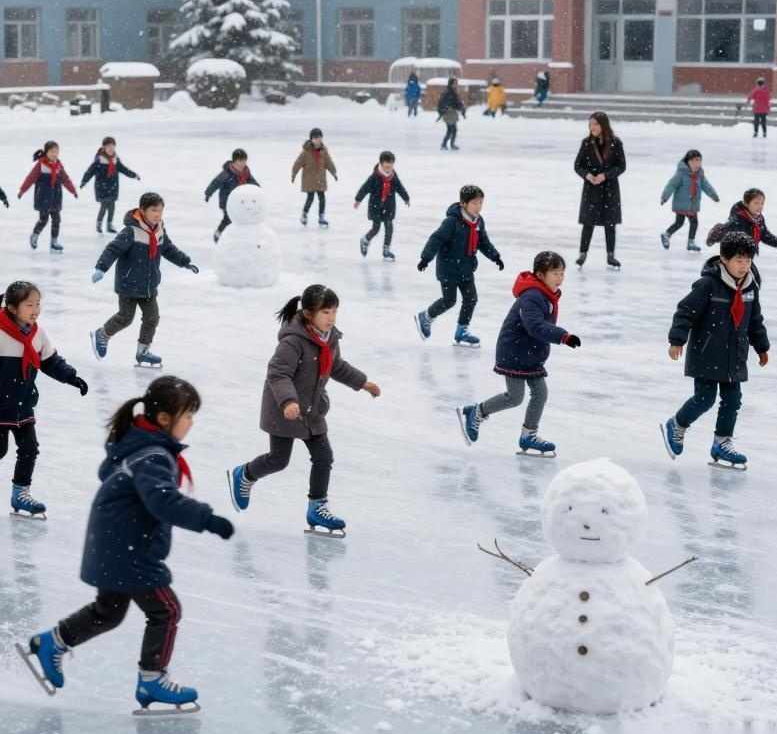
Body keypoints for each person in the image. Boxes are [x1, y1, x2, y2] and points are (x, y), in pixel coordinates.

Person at [18, 376, 233, 713]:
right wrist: (207, 519)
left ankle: (51, 642)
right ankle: (151, 680)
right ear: (165, 419)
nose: (192, 423)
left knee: (110, 611)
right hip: (129, 549)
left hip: (114, 544)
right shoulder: (154, 456)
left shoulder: (139, 445)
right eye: (188, 415)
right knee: (166, 610)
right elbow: (162, 501)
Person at [227, 285, 381, 536]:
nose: (331, 318)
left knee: (324, 457)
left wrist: (362, 383)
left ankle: (316, 507)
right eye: (326, 312)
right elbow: (278, 374)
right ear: (309, 314)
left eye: (334, 312)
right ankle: (244, 474)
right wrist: (288, 402)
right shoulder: (292, 342)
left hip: (312, 408)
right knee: (279, 460)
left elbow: (336, 366)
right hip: (284, 409)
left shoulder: (330, 338)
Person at [0, 281, 89, 518]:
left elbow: (51, 362)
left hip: (23, 402)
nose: (35, 310)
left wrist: (73, 378)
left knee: (30, 448)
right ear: (12, 307)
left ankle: (20, 494)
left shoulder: (37, 334)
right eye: (29, 305)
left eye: (38, 304)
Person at [660, 232, 769, 469]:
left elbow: (755, 320)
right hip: (707, 352)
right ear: (724, 259)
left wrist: (761, 346)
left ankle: (722, 442)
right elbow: (685, 311)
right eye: (739, 260)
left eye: (748, 260)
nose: (744, 265)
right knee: (705, 399)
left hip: (735, 355)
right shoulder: (709, 284)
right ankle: (677, 424)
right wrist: (677, 340)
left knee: (732, 400)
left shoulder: (751, 286)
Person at [457, 251, 580, 456]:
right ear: (541, 275)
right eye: (556, 273)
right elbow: (535, 326)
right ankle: (476, 412)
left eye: (562, 273)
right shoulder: (532, 296)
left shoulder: (546, 294)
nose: (560, 278)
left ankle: (528, 435)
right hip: (514, 351)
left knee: (540, 393)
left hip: (530, 353)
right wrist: (563, 337)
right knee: (515, 397)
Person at [91, 192, 199, 368]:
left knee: (152, 318)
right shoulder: (131, 231)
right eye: (154, 210)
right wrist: (101, 268)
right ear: (142, 210)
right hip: (128, 283)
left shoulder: (159, 229)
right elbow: (113, 249)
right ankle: (102, 334)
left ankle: (143, 351)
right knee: (126, 317)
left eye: (160, 211)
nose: (158, 214)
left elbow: (168, 249)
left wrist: (185, 262)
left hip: (149, 285)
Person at [414, 184, 504, 347]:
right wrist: (425, 258)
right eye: (475, 203)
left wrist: (495, 256)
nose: (478, 207)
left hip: (466, 268)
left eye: (480, 203)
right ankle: (426, 317)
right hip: (448, 268)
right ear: (463, 203)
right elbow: (436, 239)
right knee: (449, 301)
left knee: (471, 299)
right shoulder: (452, 222)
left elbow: (483, 242)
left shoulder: (478, 222)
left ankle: (461, 330)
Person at [574, 111, 626, 270]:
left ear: (603, 125)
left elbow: (621, 166)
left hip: (609, 188)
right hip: (592, 188)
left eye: (595, 124)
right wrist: (588, 175)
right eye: (590, 124)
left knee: (610, 223)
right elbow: (578, 165)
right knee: (588, 222)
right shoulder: (586, 143)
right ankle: (583, 253)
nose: (592, 127)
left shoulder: (616, 143)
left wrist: (606, 175)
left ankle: (610, 255)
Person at [17, 141, 77, 253]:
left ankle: (54, 242)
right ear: (46, 152)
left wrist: (73, 190)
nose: (55, 154)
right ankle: (35, 235)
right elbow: (30, 178)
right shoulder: (41, 165)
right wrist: (22, 190)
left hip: (55, 197)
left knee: (56, 219)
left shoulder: (58, 166)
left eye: (57, 152)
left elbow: (65, 179)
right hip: (43, 197)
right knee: (43, 219)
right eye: (52, 151)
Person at [354, 150, 410, 262]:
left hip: (389, 206)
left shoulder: (393, 176)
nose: (389, 166)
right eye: (386, 164)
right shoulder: (375, 176)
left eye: (391, 164)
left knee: (389, 227)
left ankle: (386, 249)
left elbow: (400, 187)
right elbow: (364, 188)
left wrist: (406, 198)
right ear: (381, 163)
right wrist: (358, 199)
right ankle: (365, 240)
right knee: (376, 228)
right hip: (376, 206)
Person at [660, 149, 719, 253]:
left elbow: (706, 186)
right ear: (688, 161)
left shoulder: (699, 174)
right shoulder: (681, 173)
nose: (697, 164)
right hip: (682, 203)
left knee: (694, 222)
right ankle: (666, 235)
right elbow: (671, 185)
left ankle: (690, 242)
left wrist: (713, 195)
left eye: (699, 161)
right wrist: (665, 197)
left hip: (693, 204)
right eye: (694, 161)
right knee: (679, 222)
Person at [81, 137, 140, 235]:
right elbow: (90, 171)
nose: (111, 148)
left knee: (112, 206)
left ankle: (109, 225)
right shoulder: (99, 160)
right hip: (102, 187)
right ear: (104, 147)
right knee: (104, 206)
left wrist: (133, 175)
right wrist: (84, 181)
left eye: (112, 146)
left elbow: (123, 169)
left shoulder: (115, 159)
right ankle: (99, 224)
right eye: (108, 146)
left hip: (113, 186)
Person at [706, 188, 777, 259]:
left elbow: (764, 235)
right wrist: (718, 233)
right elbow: (732, 239)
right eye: (756, 203)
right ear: (746, 204)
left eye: (762, 203)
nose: (760, 206)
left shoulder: (758, 219)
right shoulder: (738, 220)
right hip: (736, 258)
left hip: (748, 256)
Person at [204, 148, 259, 244]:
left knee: (241, 218)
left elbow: (253, 182)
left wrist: (259, 190)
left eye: (244, 161)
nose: (243, 164)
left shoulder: (246, 172)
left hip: (240, 201)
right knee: (228, 219)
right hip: (227, 202)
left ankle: (239, 238)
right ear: (234, 162)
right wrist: (208, 193)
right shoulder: (226, 174)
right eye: (240, 162)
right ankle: (218, 234)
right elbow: (215, 183)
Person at [291, 128, 338, 228]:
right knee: (310, 198)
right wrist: (294, 174)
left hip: (320, 179)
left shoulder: (324, 151)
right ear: (311, 139)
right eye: (315, 138)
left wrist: (334, 172)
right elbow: (297, 163)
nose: (318, 140)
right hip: (309, 180)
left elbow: (328, 162)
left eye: (319, 137)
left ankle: (321, 217)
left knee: (322, 198)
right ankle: (304, 214)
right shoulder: (306, 152)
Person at [437, 77, 465, 150]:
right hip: (448, 113)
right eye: (455, 83)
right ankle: (444, 144)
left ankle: (451, 144)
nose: (456, 85)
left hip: (452, 113)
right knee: (450, 130)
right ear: (451, 84)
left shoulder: (453, 92)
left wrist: (461, 107)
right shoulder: (447, 92)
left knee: (453, 130)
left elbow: (457, 103)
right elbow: (441, 103)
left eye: (456, 83)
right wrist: (443, 109)